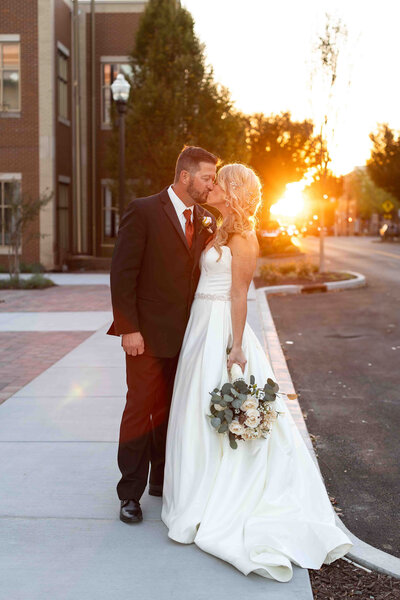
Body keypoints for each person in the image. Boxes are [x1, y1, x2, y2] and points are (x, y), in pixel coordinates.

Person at [161, 163, 352, 582]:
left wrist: (236, 347)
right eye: (209, 180)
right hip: (198, 325)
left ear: (231, 191)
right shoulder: (217, 227)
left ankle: (224, 499)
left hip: (221, 329)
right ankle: (194, 488)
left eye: (217, 181)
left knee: (218, 409)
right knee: (194, 409)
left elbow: (239, 295)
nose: (210, 186)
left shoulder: (245, 237)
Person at [108, 146, 218, 524]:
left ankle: (161, 480)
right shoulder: (143, 210)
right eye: (207, 177)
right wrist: (129, 329)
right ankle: (129, 494)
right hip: (146, 336)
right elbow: (122, 274)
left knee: (172, 411)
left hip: (189, 338)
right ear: (185, 176)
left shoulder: (206, 219)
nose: (211, 184)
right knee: (140, 411)